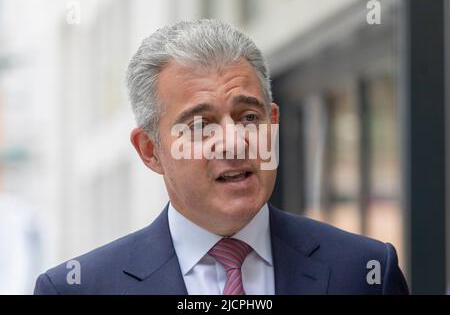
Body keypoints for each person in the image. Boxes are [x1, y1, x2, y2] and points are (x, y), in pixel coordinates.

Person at [34, 19, 409, 295]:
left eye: (249, 117)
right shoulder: (78, 288)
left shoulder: (364, 272)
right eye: (200, 125)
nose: (234, 141)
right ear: (150, 151)